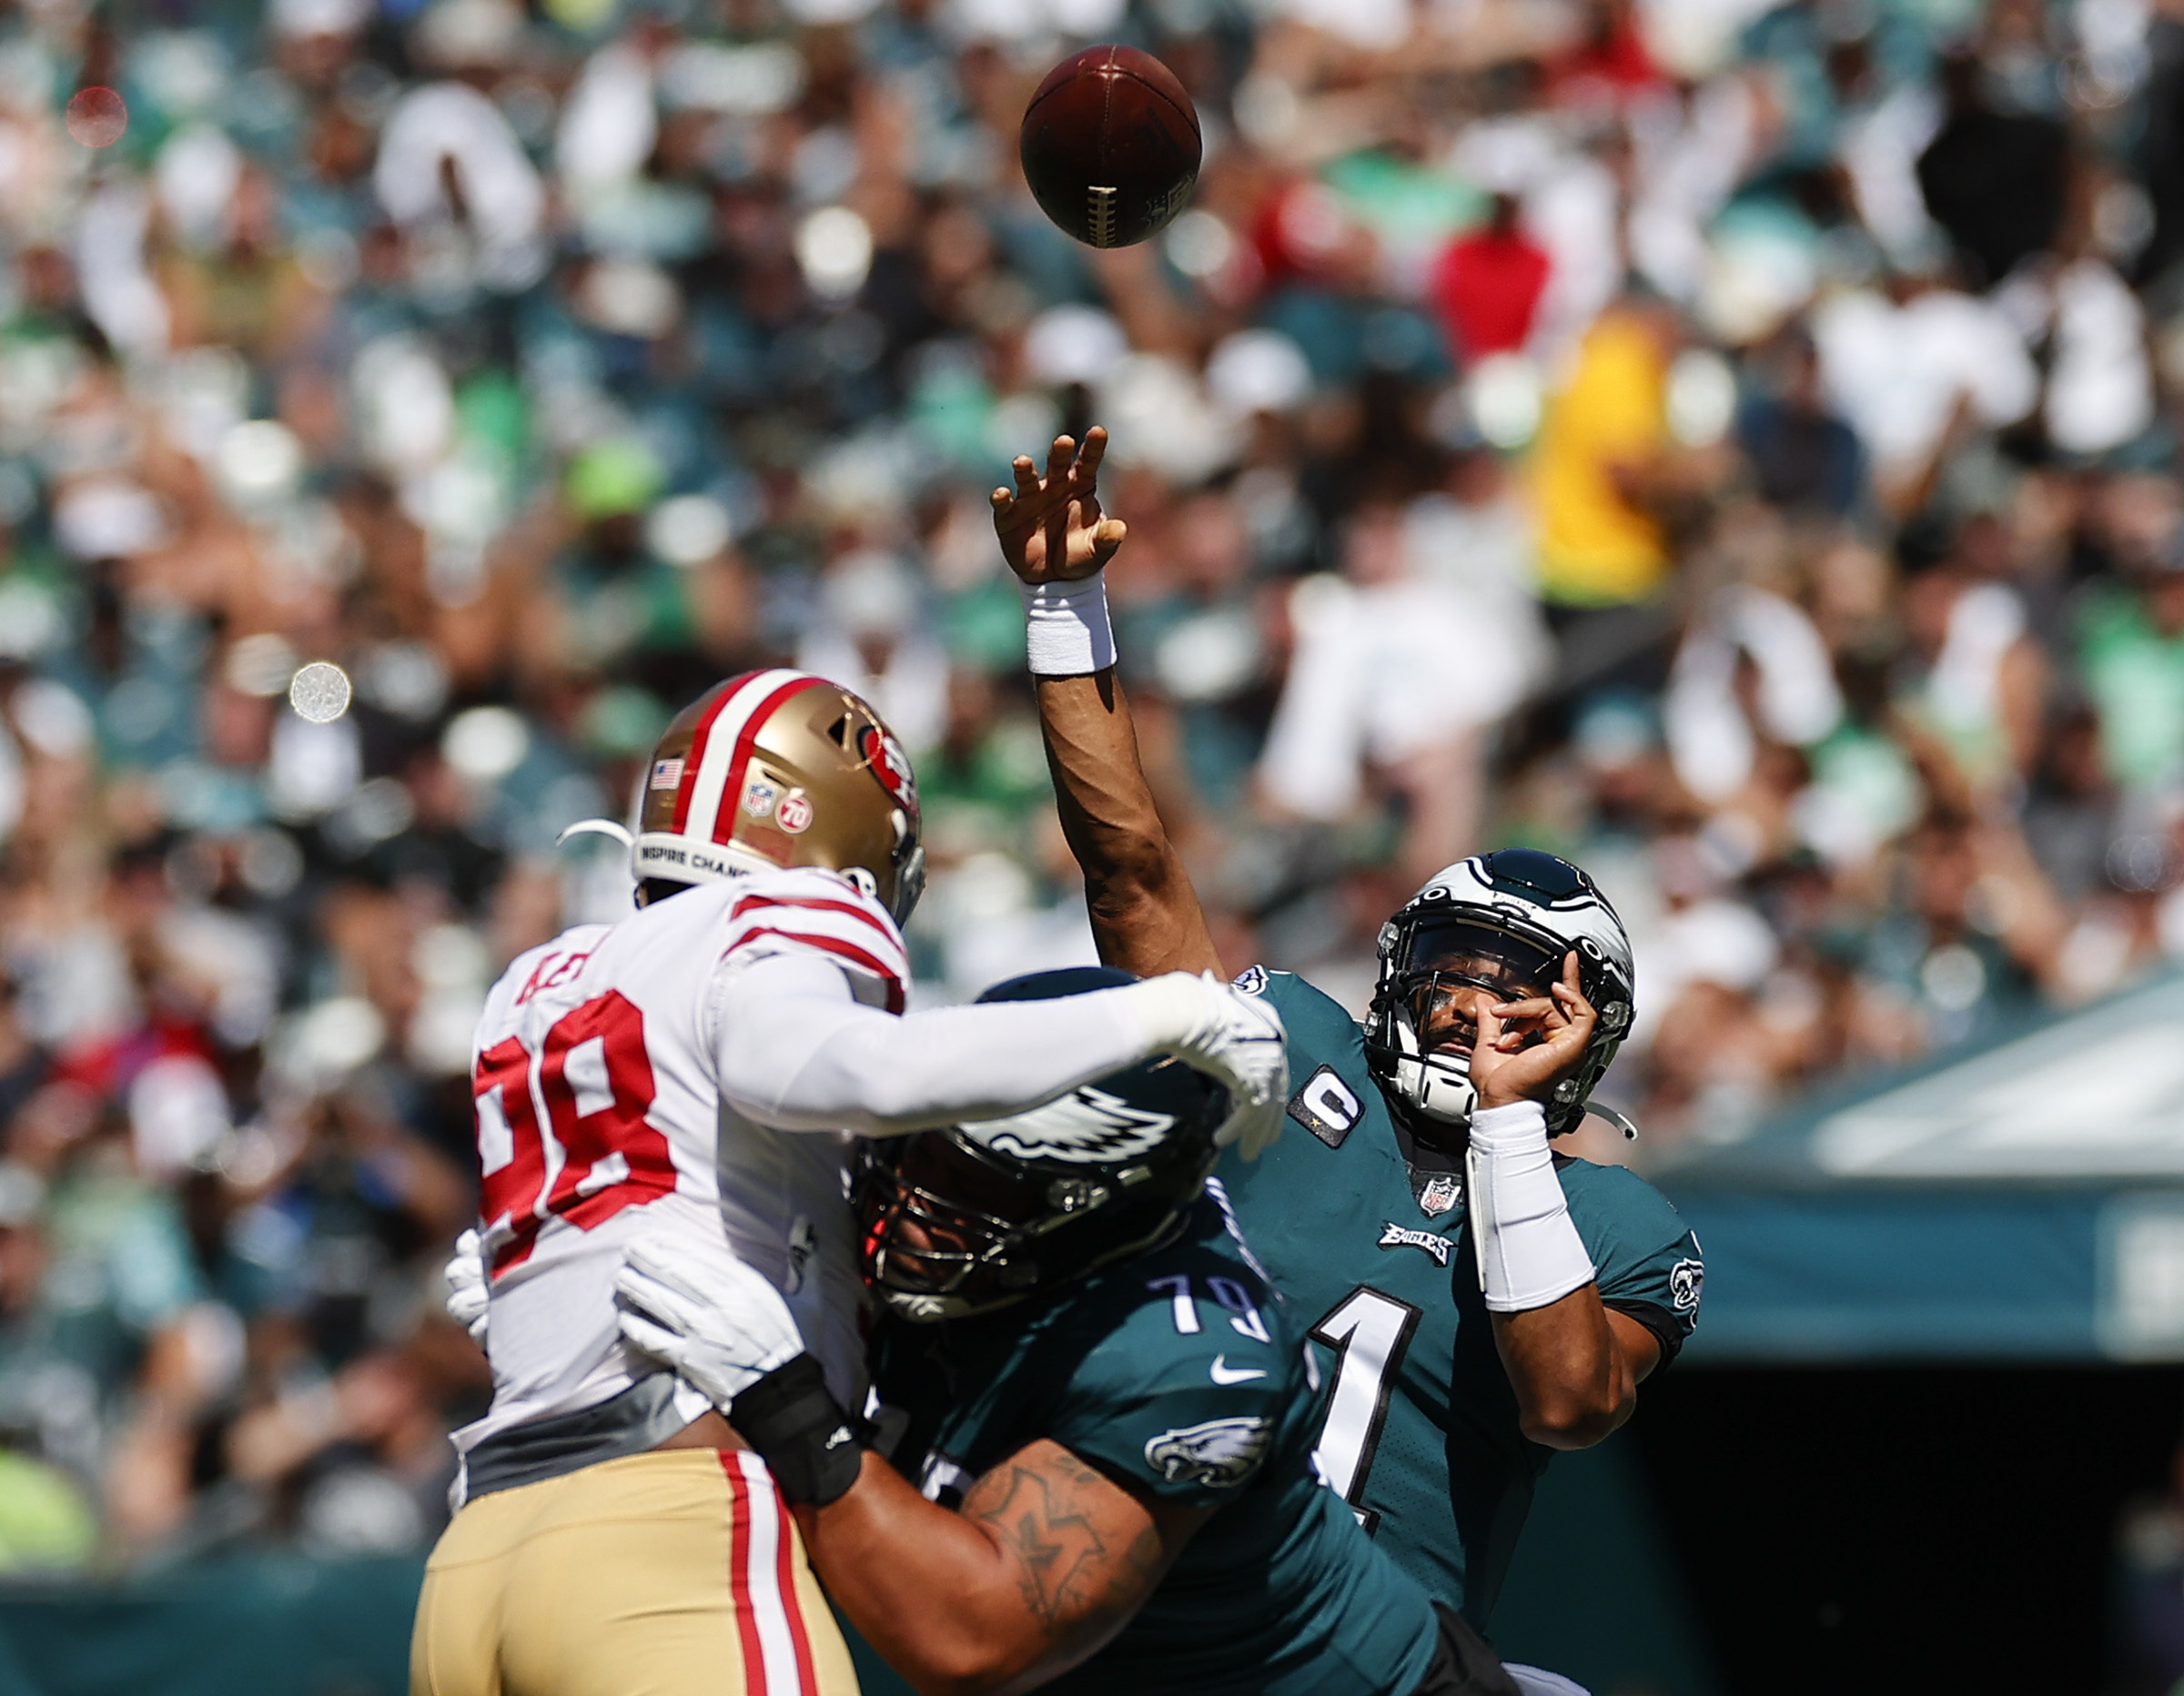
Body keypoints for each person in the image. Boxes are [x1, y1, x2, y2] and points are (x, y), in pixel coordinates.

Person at [410, 668, 1288, 1696]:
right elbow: (835, 1070)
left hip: (477, 1557)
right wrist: (1160, 1015)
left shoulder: (543, 977)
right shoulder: (777, 914)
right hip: (669, 1527)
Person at [992, 432, 1707, 1630]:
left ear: (1588, 1037)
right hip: (1153, 1620)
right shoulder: (1294, 1061)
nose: (1474, 1010)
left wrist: (1508, 1129)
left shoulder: (1619, 1224)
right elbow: (1132, 883)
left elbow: (1570, 1405)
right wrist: (1067, 613)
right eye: (1450, 977)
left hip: (1382, 1657)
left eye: (1518, 995)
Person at [610, 966, 1532, 1696]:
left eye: (979, 1187)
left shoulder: (1191, 1350)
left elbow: (971, 1640)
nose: (918, 1205)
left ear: (1097, 1213)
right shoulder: (953, 1237)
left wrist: (782, 1396)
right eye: (920, 1148)